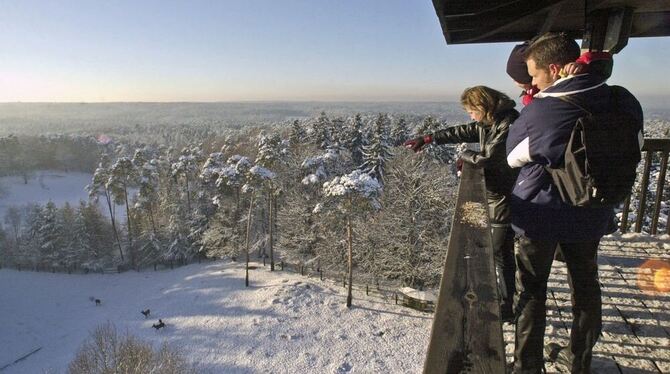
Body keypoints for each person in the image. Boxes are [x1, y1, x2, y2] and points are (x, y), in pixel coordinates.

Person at [505, 32, 643, 373]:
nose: (532, 83)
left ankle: (527, 366)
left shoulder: (543, 110)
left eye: (534, 74)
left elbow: (512, 157)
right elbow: (636, 142)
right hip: (592, 210)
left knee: (533, 289)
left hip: (542, 216)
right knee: (585, 285)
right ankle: (579, 359)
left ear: (553, 69)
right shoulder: (623, 100)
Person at [404, 85, 519, 321]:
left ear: (482, 107)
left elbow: (489, 158)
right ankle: (507, 303)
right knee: (499, 251)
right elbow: (463, 131)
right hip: (499, 195)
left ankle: (507, 307)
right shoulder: (493, 122)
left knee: (499, 251)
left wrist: (465, 157)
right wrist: (430, 138)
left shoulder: (508, 124)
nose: (470, 116)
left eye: (471, 111)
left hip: (505, 197)